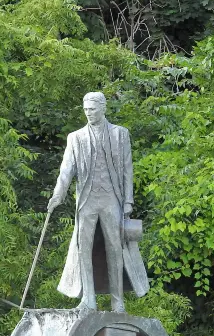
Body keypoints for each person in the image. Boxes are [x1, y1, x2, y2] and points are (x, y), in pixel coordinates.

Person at [48, 92, 149, 312]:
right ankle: (88, 299)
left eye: (92, 109)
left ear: (103, 108)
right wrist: (58, 193)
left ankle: (118, 302)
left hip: (112, 198)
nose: (88, 113)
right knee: (84, 247)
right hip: (86, 200)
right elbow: (66, 170)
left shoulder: (120, 134)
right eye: (85, 110)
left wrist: (128, 202)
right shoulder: (75, 138)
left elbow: (127, 170)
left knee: (116, 247)